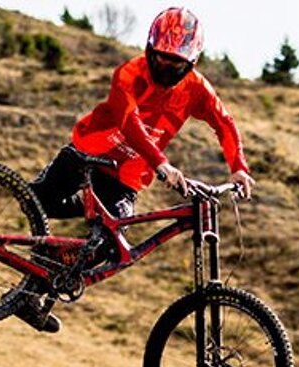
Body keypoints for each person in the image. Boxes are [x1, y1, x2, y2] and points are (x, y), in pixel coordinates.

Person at [19, 7, 254, 333]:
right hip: (88, 154)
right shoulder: (129, 73)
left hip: (124, 178)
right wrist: (162, 164)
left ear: (192, 62)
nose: (165, 65)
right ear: (149, 47)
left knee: (112, 245)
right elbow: (129, 123)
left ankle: (30, 291)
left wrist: (238, 168)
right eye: (160, 56)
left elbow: (225, 124)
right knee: (36, 200)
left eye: (176, 61)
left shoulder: (197, 90)